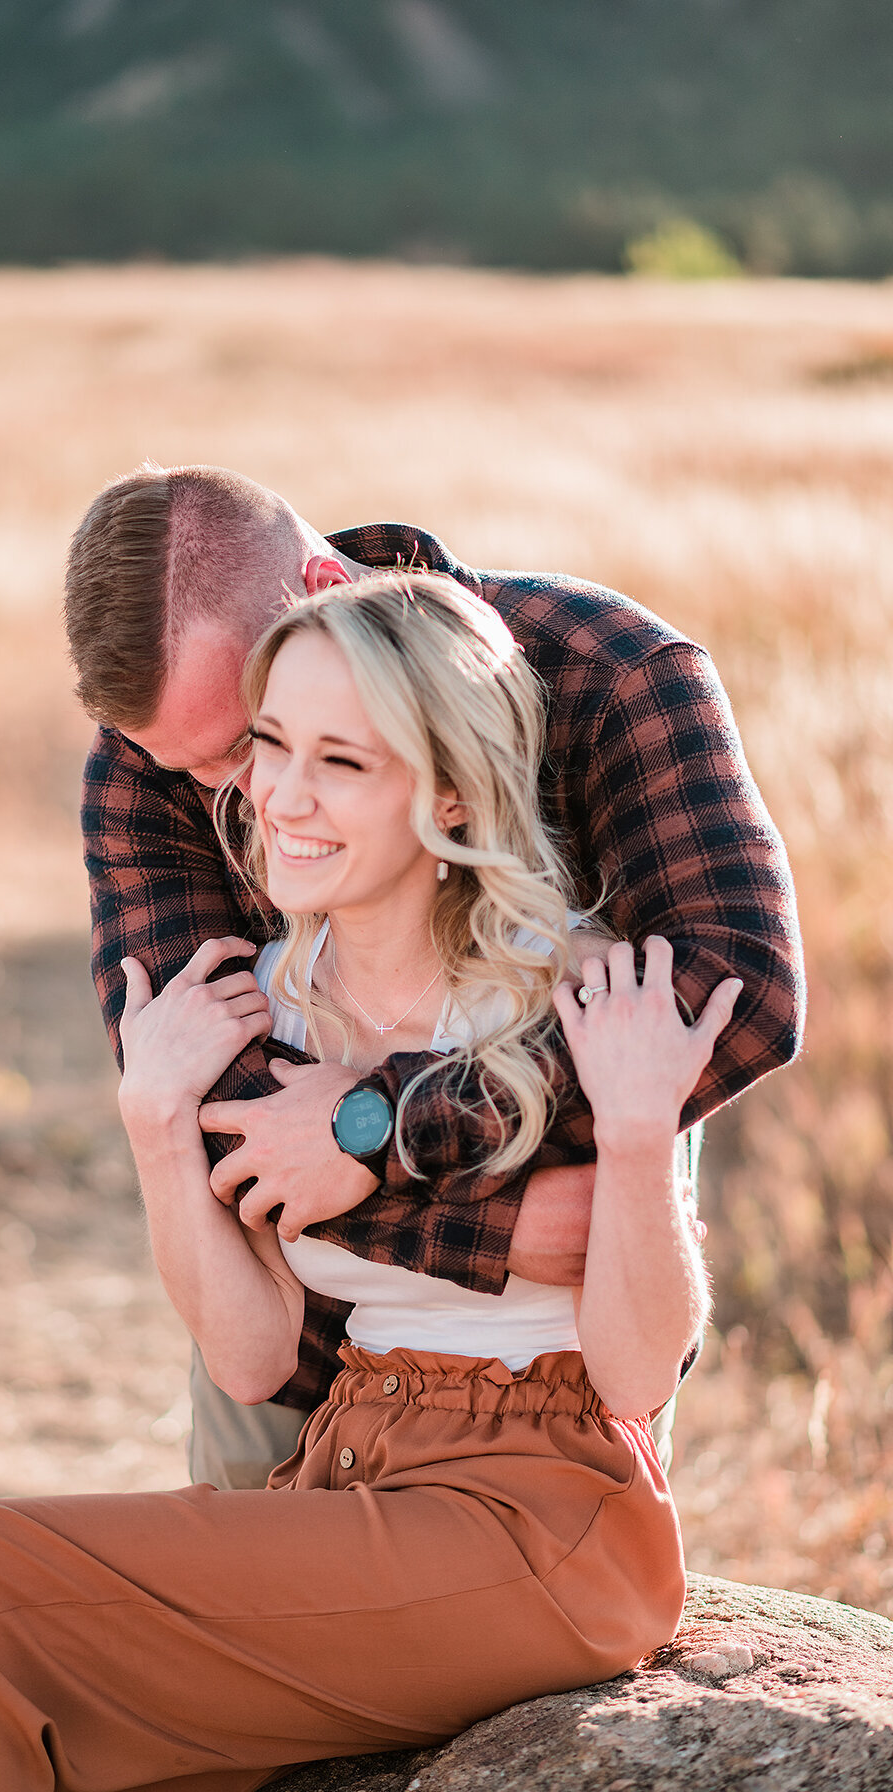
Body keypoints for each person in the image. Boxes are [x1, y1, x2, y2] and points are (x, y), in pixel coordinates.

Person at [0, 574, 743, 1792]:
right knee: (64, 1735)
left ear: (449, 791)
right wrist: (155, 1122)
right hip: (348, 1472)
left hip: (538, 1511)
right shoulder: (271, 1004)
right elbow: (250, 1355)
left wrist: (647, 1131)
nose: (282, 797)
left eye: (343, 762)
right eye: (274, 744)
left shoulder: (571, 992)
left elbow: (635, 1373)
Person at [71, 464, 804, 1489]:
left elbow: (738, 991)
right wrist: (498, 1228)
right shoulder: (149, 760)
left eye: (255, 738)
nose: (254, 797)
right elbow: (224, 1115)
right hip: (302, 1320)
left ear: (324, 588)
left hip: (566, 1336)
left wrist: (379, 1129)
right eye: (201, 768)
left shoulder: (608, 668)